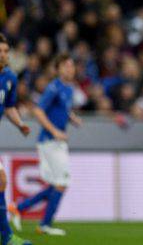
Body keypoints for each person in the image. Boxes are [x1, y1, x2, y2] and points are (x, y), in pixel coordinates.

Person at [9, 54, 82, 236]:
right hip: (49, 141)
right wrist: (55, 130)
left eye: (71, 66)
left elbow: (63, 109)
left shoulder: (69, 88)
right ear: (57, 69)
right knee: (62, 182)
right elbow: (38, 111)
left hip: (57, 142)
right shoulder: (53, 87)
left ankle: (19, 208)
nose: (70, 69)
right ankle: (44, 225)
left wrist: (71, 118)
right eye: (66, 66)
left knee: (56, 184)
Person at [0, 34, 32, 245]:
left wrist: (20, 124)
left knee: (1, 182)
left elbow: (9, 106)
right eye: (1, 51)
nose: (4, 55)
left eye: (6, 51)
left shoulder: (10, 77)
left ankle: (8, 237)